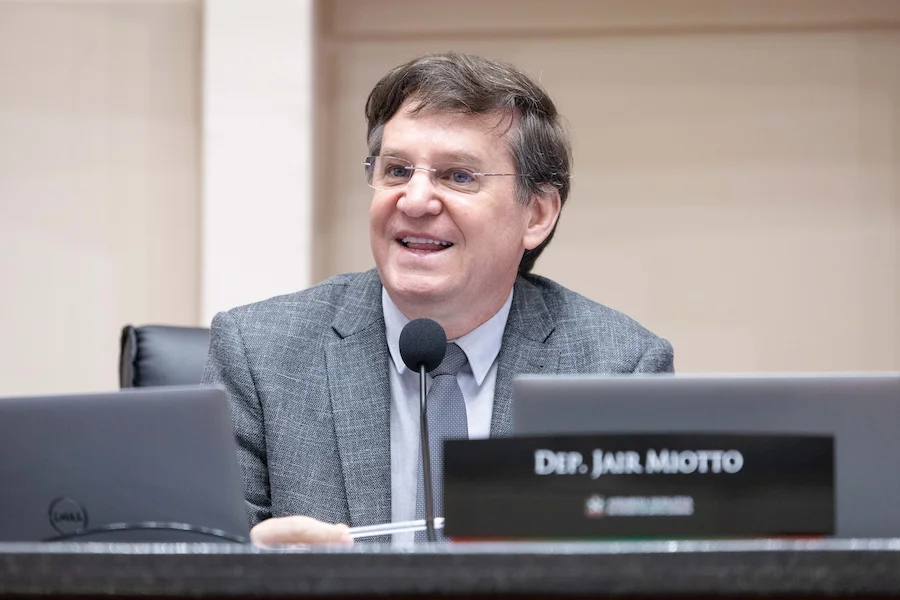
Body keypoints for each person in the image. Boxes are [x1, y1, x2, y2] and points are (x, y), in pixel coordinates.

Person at [202, 52, 674, 546]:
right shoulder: (259, 354)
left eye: (458, 176)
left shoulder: (618, 367)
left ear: (536, 215)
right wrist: (253, 566)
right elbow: (192, 558)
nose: (415, 200)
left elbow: (651, 569)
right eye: (397, 170)